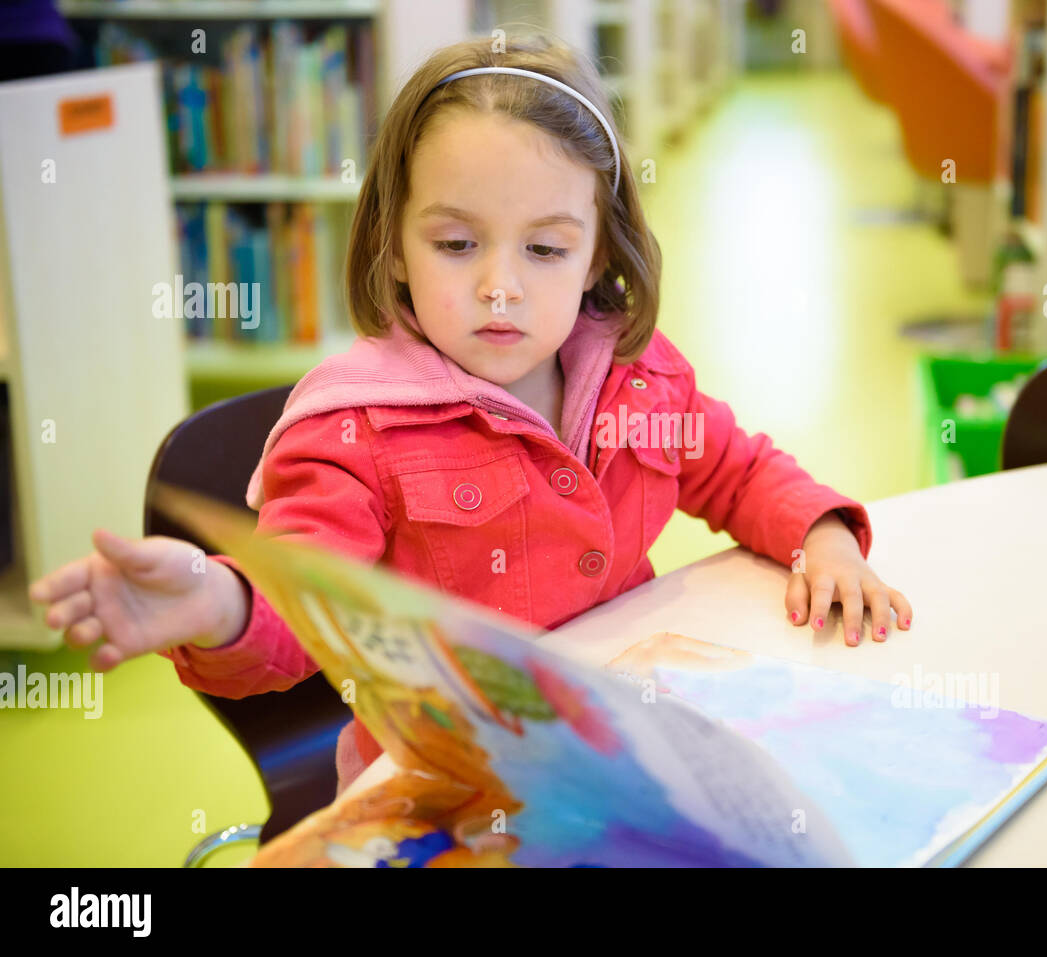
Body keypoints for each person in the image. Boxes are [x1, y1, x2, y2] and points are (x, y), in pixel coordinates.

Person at [28, 33, 913, 795]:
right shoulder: (354, 433)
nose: (500, 285)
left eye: (545, 247)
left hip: (620, 746)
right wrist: (216, 600)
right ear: (396, 246)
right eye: (455, 244)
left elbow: (736, 468)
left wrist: (822, 535)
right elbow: (303, 601)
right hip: (451, 782)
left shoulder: (638, 380)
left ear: (598, 248)